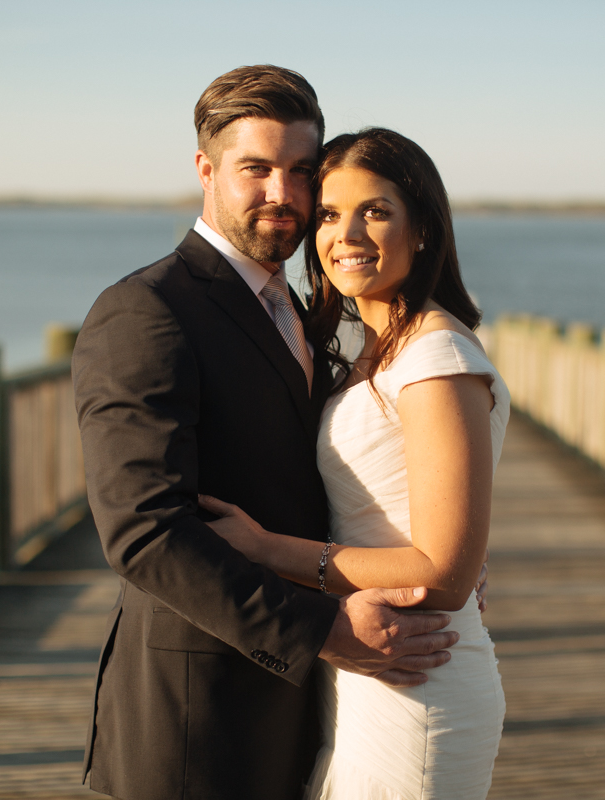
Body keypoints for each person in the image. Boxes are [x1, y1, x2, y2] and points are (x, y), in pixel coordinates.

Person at [71, 66, 463, 800]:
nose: (282, 194)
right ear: (206, 169)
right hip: (200, 717)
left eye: (301, 171)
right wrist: (321, 630)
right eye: (256, 168)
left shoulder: (309, 310)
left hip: (313, 709)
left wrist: (444, 563)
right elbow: (143, 533)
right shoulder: (146, 312)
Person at [199, 127, 509, 799]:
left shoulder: (434, 358)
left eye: (377, 210)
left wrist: (264, 548)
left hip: (421, 682)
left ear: (422, 227)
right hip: (373, 668)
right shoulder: (377, 347)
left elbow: (445, 575)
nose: (349, 234)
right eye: (332, 214)